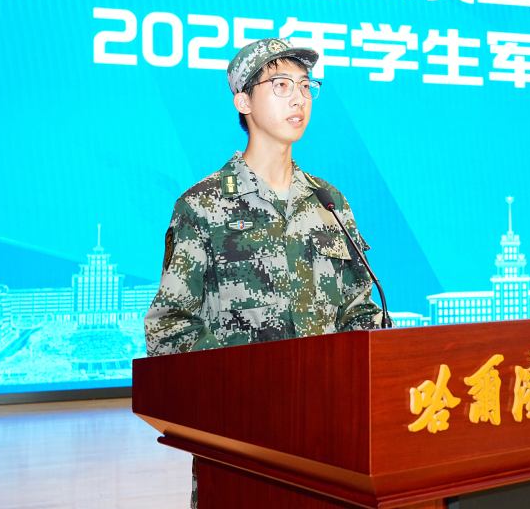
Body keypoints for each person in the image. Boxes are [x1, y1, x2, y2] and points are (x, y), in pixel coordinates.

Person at [144, 37, 383, 507]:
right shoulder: (203, 206)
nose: (299, 98)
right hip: (241, 443)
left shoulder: (329, 202)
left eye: (306, 86)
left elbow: (360, 312)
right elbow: (169, 327)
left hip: (330, 438)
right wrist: (245, 389)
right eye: (280, 85)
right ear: (243, 101)